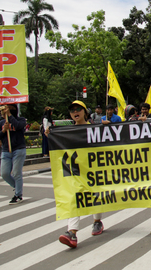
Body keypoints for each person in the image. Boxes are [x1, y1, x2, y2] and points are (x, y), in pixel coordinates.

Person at [53, 100, 104, 248]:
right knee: (76, 198)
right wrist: (50, 134)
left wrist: (107, 128)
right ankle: (72, 233)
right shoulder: (67, 132)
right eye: (72, 110)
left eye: (78, 109)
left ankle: (97, 221)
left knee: (96, 196)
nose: (75, 112)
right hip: (75, 173)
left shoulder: (95, 128)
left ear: (85, 112)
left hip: (93, 170)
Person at [0, 104, 27, 204]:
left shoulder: (21, 120)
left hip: (19, 149)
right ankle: (17, 187)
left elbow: (17, 126)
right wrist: (3, 130)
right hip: (6, 150)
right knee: (4, 173)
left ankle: (18, 194)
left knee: (17, 173)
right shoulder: (1, 123)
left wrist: (10, 116)